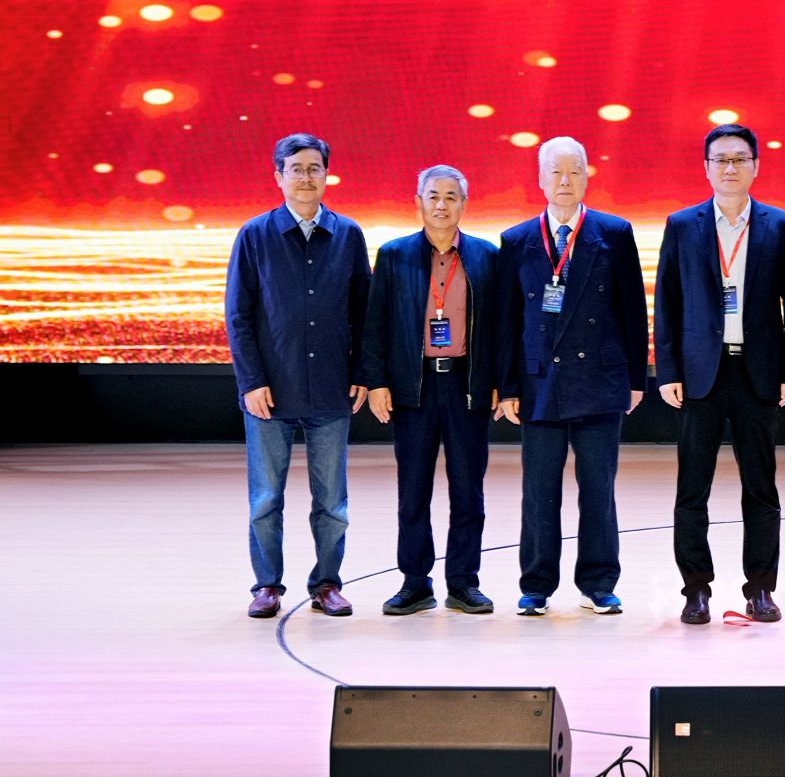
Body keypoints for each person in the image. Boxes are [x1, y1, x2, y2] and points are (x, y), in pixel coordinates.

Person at [655, 123, 785, 625]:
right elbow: (668, 304)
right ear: (706, 168)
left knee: (761, 489)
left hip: (757, 373)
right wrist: (667, 370)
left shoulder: (780, 225)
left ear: (755, 166)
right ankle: (695, 590)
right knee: (691, 490)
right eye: (720, 159)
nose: (730, 168)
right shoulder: (682, 225)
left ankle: (760, 589)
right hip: (700, 375)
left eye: (740, 158)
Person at [497, 136, 647, 617]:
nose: (565, 180)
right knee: (539, 492)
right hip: (539, 384)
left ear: (587, 177)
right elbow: (508, 322)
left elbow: (633, 310)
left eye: (575, 171)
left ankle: (599, 583)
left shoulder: (614, 233)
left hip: (600, 381)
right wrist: (508, 386)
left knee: (599, 489)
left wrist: (636, 379)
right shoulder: (516, 240)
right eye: (556, 172)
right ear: (540, 179)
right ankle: (536, 585)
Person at [224, 133, 369, 618]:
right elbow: (239, 316)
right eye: (296, 168)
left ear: (326, 174)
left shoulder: (348, 235)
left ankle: (327, 584)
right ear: (278, 176)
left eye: (314, 168)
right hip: (271, 390)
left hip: (331, 387)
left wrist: (362, 372)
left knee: (332, 502)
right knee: (266, 498)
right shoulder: (254, 235)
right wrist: (250, 382)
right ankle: (267, 585)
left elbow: (364, 312)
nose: (306, 177)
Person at [361, 164, 505, 616]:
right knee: (413, 491)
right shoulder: (394, 255)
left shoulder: (487, 256)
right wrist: (377, 382)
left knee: (468, 492)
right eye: (433, 196)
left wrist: (500, 382)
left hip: (467, 386)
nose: (442, 205)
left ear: (464, 203)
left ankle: (463, 583)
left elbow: (501, 329)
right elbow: (375, 325)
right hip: (413, 386)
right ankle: (414, 583)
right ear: (418, 202)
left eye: (451, 197)